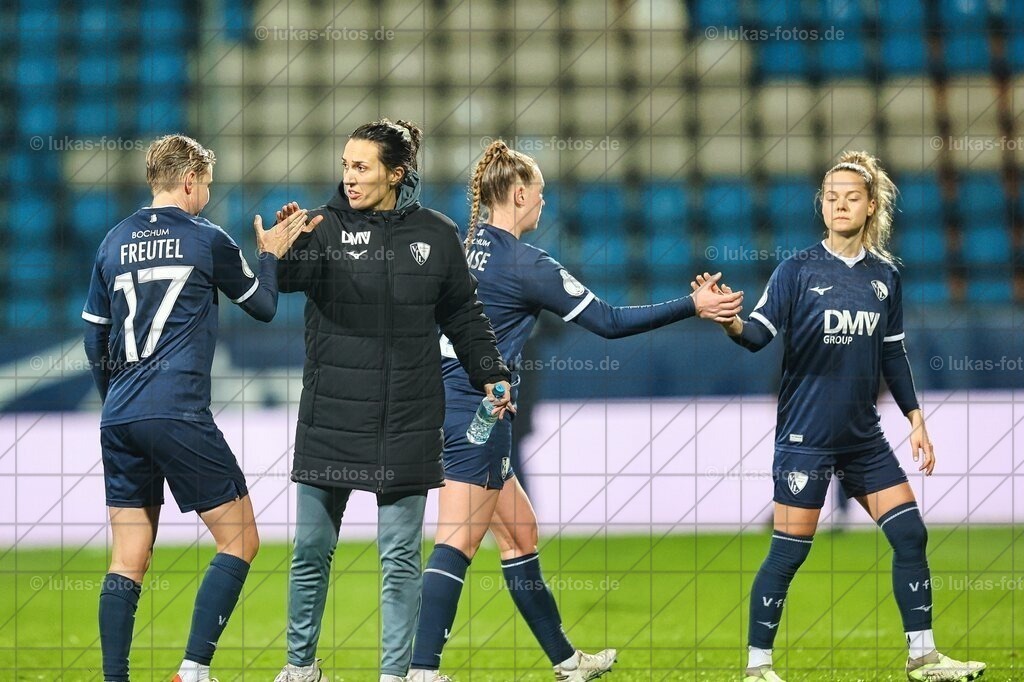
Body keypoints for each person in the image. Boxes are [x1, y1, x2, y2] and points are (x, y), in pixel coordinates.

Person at [407, 140, 745, 682]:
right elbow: (608, 322)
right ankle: (420, 671)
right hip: (478, 413)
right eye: (540, 195)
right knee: (457, 540)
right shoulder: (526, 264)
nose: (543, 205)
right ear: (519, 194)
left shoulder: (460, 248)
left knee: (519, 533)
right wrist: (693, 305)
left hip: (440, 402)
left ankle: (567, 662)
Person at [691, 151, 986, 682]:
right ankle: (758, 666)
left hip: (863, 442)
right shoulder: (796, 270)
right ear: (821, 206)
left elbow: (892, 354)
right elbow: (757, 337)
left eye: (852, 197)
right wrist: (729, 322)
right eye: (831, 198)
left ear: (871, 206)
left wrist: (915, 418)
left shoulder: (885, 278)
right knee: (789, 552)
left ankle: (923, 657)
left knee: (910, 535)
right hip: (806, 439)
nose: (840, 205)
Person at [272, 119, 512, 682]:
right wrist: (278, 253)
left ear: (396, 173)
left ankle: (395, 675)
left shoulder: (438, 234)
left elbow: (464, 317)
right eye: (345, 166)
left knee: (400, 559)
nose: (349, 178)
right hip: (331, 414)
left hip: (407, 416)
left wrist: (491, 372)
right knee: (310, 550)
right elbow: (287, 280)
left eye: (362, 167)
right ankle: (300, 668)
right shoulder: (322, 227)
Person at [82, 134, 320, 682]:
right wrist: (269, 253)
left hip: (119, 414)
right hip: (178, 412)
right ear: (189, 180)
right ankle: (192, 669)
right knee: (241, 540)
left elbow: (94, 339)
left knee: (128, 557)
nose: (208, 193)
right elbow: (262, 306)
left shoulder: (112, 243)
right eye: (207, 183)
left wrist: (116, 401)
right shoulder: (206, 238)